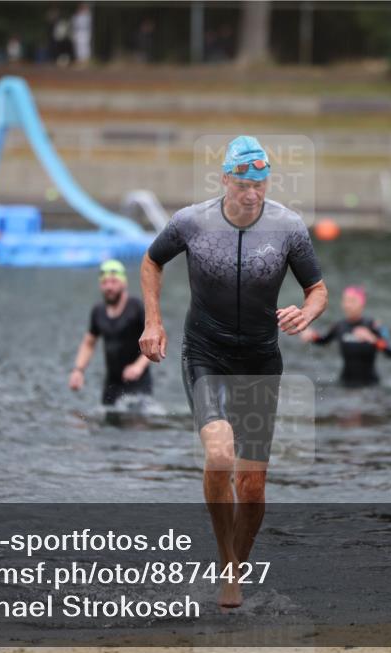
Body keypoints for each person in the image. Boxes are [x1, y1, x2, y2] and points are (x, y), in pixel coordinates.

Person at [139, 135, 327, 608]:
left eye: (260, 184)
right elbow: (152, 260)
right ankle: (227, 565)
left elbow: (318, 289)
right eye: (244, 184)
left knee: (253, 487)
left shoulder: (288, 227)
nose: (252, 193)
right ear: (225, 179)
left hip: (261, 361)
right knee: (220, 454)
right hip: (206, 353)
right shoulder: (191, 222)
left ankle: (234, 568)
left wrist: (307, 312)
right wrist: (153, 321)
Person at [69, 260, 152, 406]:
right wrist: (78, 370)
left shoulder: (137, 307)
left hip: (137, 380)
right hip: (112, 382)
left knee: (137, 417)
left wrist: (138, 366)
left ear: (124, 283)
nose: (109, 287)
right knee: (108, 417)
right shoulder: (98, 311)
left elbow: (154, 341)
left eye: (114, 282)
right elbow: (89, 343)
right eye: (105, 282)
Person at [302, 285, 391, 388]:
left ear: (362, 304)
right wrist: (311, 336)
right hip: (346, 384)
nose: (348, 305)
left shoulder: (374, 326)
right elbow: (323, 340)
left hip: (370, 386)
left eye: (352, 301)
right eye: (345, 301)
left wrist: (373, 339)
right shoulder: (339, 326)